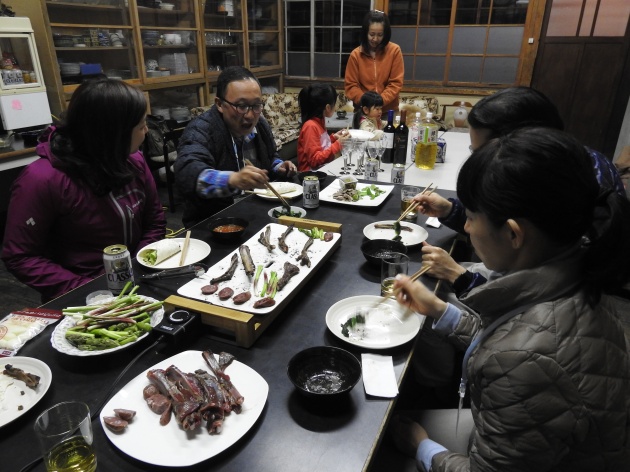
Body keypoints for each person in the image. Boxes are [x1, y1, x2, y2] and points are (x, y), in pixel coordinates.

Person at [390, 127, 630, 471]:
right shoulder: (579, 268)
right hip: (536, 442)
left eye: (471, 217)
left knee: (386, 439)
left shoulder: (530, 363)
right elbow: (512, 341)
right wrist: (439, 310)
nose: (467, 229)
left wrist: (422, 448)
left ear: (514, 234)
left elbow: (520, 357)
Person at [416, 86, 626, 295]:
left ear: (516, 145)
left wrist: (462, 278)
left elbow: (531, 295)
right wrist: (451, 210)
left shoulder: (565, 185)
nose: (476, 162)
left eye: (482, 152)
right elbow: (498, 222)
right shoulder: (551, 165)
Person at [1, 78, 166, 303]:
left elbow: (154, 220)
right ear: (111, 136)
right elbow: (21, 256)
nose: (146, 132)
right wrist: (87, 290)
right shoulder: (42, 179)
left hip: (136, 280)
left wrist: (139, 262)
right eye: (140, 126)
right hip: (81, 294)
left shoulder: (133, 160)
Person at [175, 66, 296, 227]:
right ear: (219, 104)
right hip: (213, 224)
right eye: (241, 106)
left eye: (256, 105)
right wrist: (233, 180)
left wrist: (278, 166)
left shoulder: (260, 124)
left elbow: (271, 155)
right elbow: (188, 174)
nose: (250, 115)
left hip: (256, 213)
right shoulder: (201, 129)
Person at [344, 10, 404, 116]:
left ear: (385, 34)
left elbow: (396, 83)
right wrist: (367, 102)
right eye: (372, 34)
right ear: (365, 32)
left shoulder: (394, 51)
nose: (375, 39)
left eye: (380, 35)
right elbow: (351, 86)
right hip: (363, 112)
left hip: (388, 111)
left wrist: (379, 102)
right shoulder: (356, 55)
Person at [297, 83, 349, 172]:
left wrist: (333, 138)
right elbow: (314, 160)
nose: (335, 107)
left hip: (323, 170)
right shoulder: (310, 126)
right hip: (311, 176)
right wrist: (338, 144)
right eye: (334, 104)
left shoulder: (319, 122)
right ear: (328, 107)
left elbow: (321, 145)